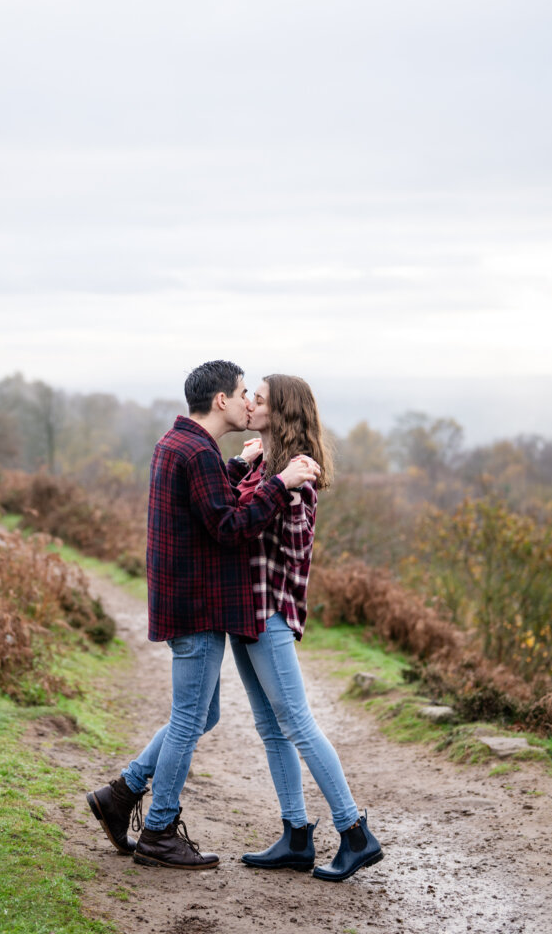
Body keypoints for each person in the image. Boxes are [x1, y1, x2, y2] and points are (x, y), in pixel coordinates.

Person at [86, 360, 320, 870]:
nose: (248, 403)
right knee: (192, 716)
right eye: (242, 394)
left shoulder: (184, 445)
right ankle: (159, 831)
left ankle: (122, 794)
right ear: (221, 401)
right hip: (196, 609)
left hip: (187, 604)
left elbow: (208, 500)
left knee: (201, 714)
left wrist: (241, 468)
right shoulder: (195, 452)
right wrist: (279, 482)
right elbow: (231, 526)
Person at [227, 374, 383, 882]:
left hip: (267, 614)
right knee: (271, 727)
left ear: (283, 413)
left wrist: (279, 486)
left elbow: (282, 549)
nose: (249, 401)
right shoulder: (269, 469)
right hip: (245, 615)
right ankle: (296, 835)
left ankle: (354, 831)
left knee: (297, 723)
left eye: (259, 398)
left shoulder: (298, 480)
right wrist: (248, 467)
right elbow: (229, 515)